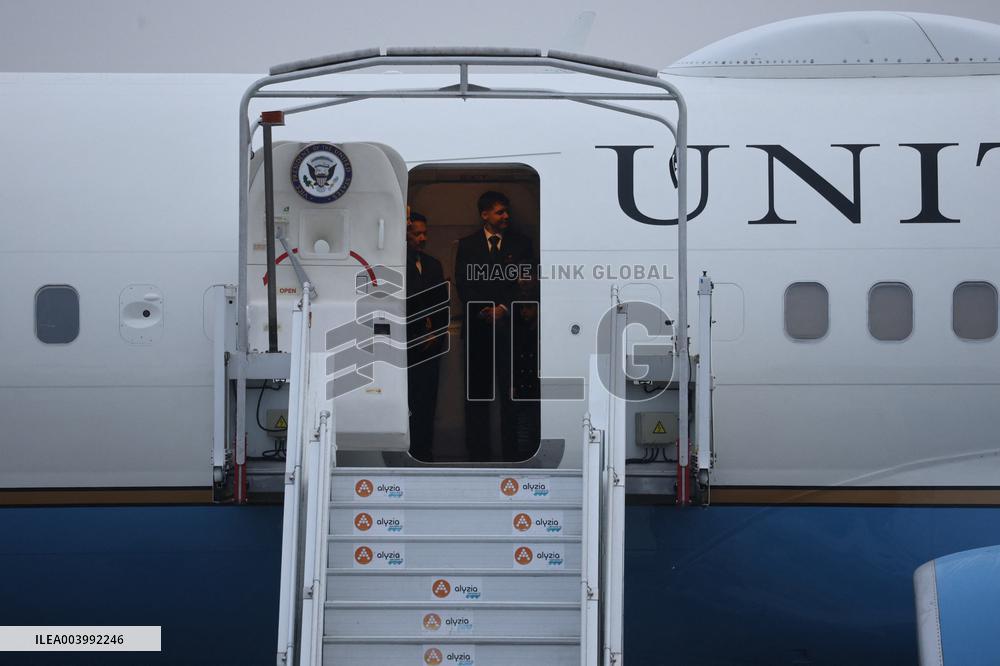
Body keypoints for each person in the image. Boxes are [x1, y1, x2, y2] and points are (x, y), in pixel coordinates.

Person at [454, 191, 537, 462]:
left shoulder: (522, 245)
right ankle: (477, 454)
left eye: (506, 212)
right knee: (477, 397)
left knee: (511, 396)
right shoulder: (467, 246)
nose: (506, 217)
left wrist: (502, 308)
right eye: (500, 212)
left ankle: (513, 454)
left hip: (512, 332)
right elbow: (464, 285)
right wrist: (483, 310)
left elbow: (527, 283)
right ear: (485, 215)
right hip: (478, 331)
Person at [405, 211, 448, 462]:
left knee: (427, 402)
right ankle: (407, 451)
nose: (422, 238)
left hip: (431, 347)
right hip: (406, 346)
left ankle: (424, 452)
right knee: (408, 400)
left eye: (425, 234)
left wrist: (436, 334)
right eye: (416, 233)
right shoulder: (397, 265)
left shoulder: (433, 264)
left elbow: (441, 304)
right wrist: (417, 333)